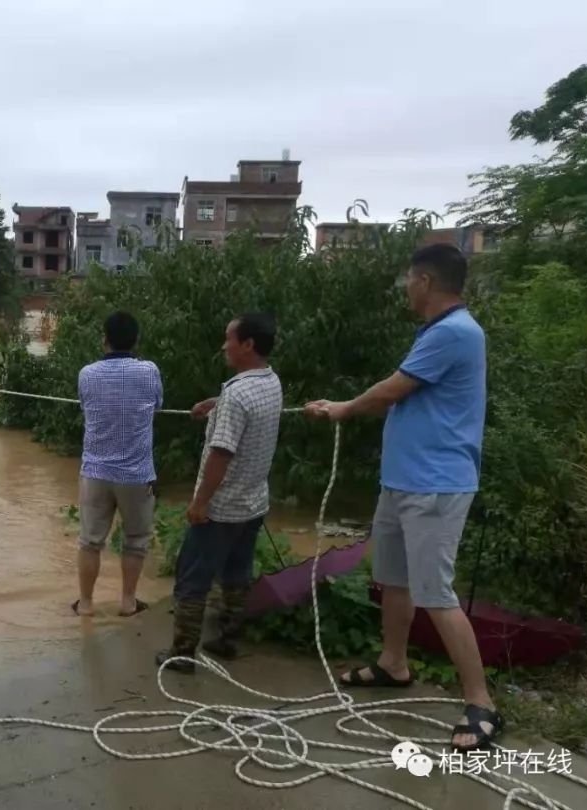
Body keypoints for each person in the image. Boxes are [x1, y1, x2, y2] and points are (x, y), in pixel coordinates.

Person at [305, 243, 499, 752]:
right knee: (392, 579)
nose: (407, 288)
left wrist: (343, 409)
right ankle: (394, 662)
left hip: (435, 483)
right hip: (404, 481)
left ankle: (481, 702)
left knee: (435, 592)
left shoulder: (455, 333)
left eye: (410, 279)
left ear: (427, 282)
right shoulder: (440, 332)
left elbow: (392, 390)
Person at [156, 313, 283, 672]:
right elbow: (245, 407)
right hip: (253, 503)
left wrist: (199, 502)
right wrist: (215, 405)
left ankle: (181, 654)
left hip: (221, 509)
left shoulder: (237, 394)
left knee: (191, 579)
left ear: (248, 345)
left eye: (229, 339)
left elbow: (221, 453)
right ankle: (228, 638)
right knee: (236, 573)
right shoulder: (270, 381)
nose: (223, 345)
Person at [73, 311, 163, 618]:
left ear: (105, 339)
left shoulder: (87, 373)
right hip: (136, 474)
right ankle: (127, 602)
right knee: (136, 541)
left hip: (95, 472)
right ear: (136, 340)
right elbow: (158, 406)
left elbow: (85, 406)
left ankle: (85, 604)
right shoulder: (149, 371)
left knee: (89, 542)